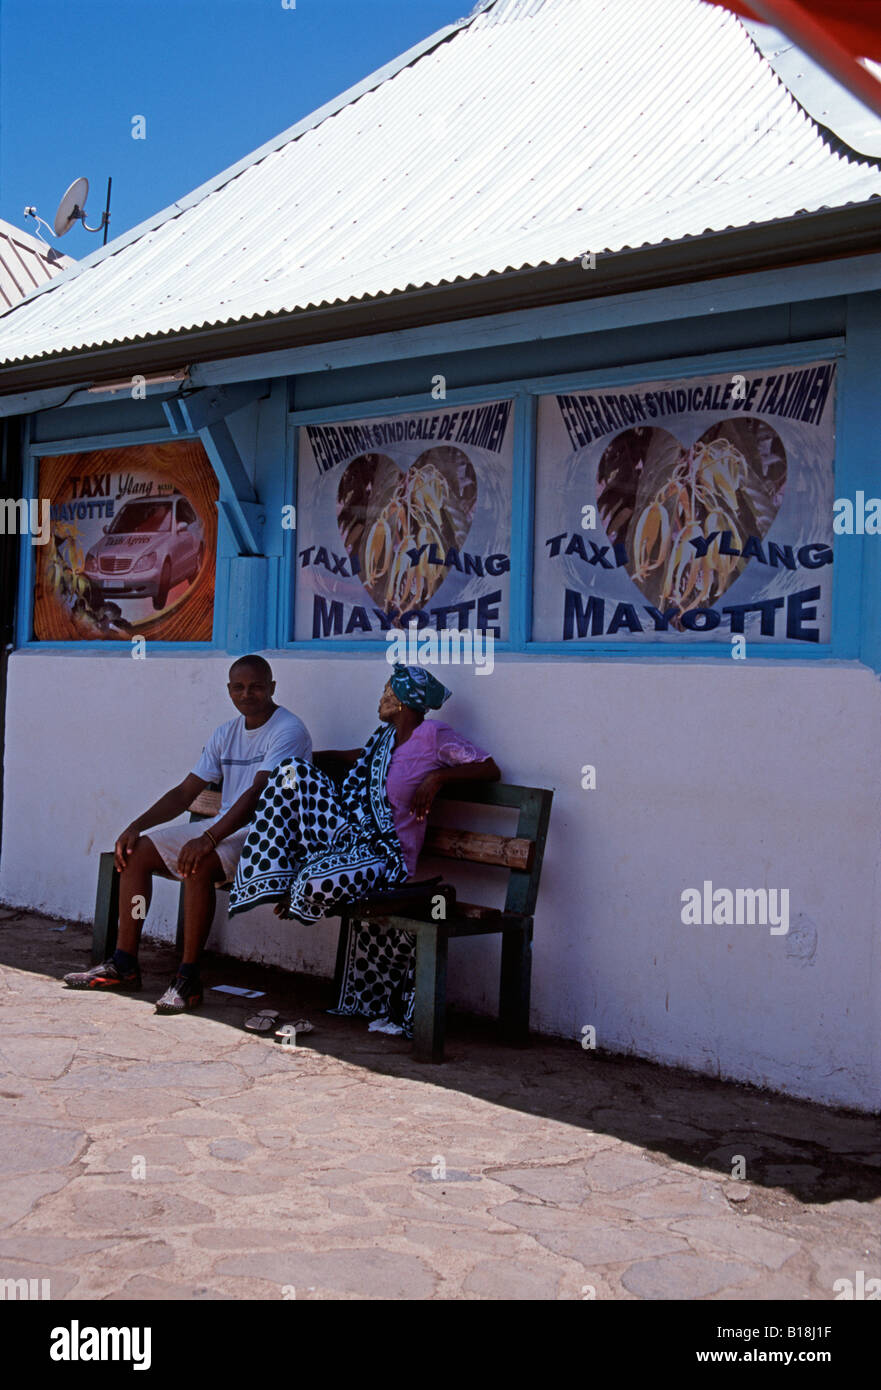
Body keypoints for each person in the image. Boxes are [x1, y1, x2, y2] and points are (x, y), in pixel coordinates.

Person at [227, 662, 499, 1035]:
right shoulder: (384, 739)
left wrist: (438, 777)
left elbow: (487, 768)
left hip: (389, 857)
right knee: (291, 772)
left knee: (312, 885)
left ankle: (300, 889)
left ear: (402, 701)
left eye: (388, 691)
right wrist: (310, 757)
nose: (382, 698)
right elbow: (356, 757)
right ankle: (276, 880)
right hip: (356, 839)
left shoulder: (434, 735)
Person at [64, 655, 312, 1013]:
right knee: (137, 853)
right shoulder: (226, 733)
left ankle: (188, 977)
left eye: (256, 686)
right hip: (229, 827)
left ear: (272, 687)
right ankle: (124, 963)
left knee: (199, 861)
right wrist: (136, 826)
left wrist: (208, 838)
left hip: (271, 833)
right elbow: (185, 793)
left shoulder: (288, 730)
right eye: (239, 687)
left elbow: (258, 795)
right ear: (229, 691)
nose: (247, 694)